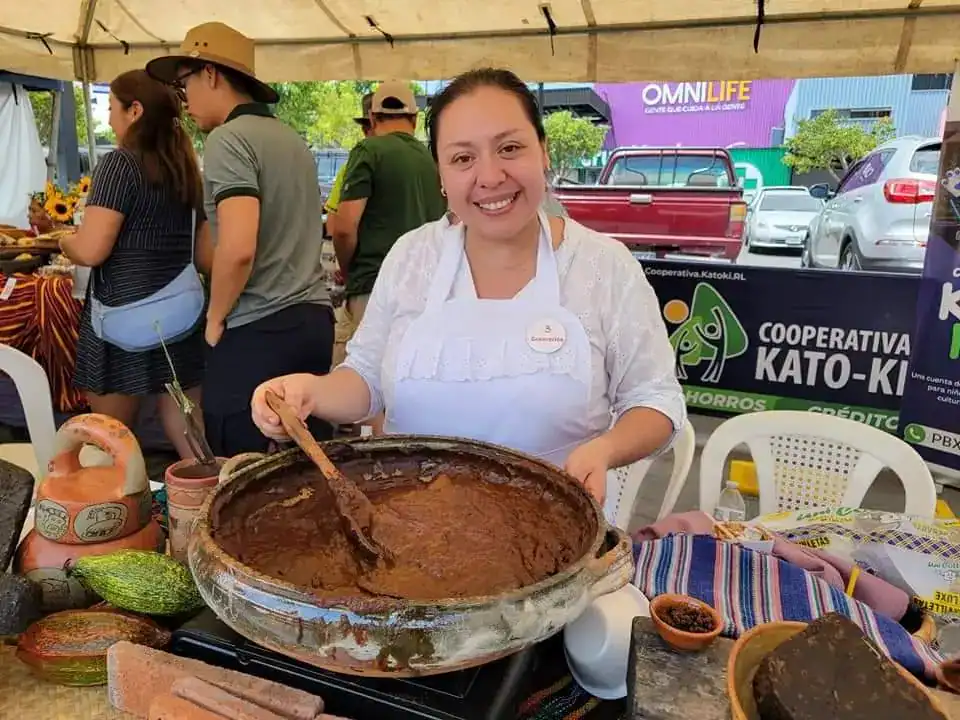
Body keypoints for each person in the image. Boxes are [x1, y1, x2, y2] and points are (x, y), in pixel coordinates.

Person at [250, 68, 686, 502]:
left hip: (557, 535)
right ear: (440, 172)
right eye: (462, 158)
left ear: (544, 152)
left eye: (510, 148)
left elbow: (656, 401)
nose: (490, 176)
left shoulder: (603, 266)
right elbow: (366, 378)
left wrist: (606, 448)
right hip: (408, 523)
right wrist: (310, 390)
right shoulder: (412, 256)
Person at [145, 22, 333, 456]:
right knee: (305, 462)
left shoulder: (228, 140)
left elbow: (240, 245)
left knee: (244, 473)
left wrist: (214, 318)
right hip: (311, 320)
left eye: (184, 82)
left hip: (259, 328)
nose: (184, 98)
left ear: (210, 74)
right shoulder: (290, 139)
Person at [62, 69, 205, 459]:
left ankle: (125, 516)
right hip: (179, 314)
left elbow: (91, 251)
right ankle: (202, 506)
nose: (109, 119)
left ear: (135, 110)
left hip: (120, 315)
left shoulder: (119, 165)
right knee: (190, 431)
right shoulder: (187, 168)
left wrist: (63, 240)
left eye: (112, 108)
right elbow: (203, 252)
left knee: (113, 444)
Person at [331, 81, 446, 345]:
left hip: (374, 285)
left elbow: (344, 227)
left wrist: (349, 271)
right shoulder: (434, 159)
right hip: (427, 289)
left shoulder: (369, 151)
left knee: (363, 376)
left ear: (372, 117)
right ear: (414, 119)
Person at [327, 94, 374, 370]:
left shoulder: (357, 162)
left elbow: (337, 227)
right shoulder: (426, 162)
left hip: (364, 282)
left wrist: (346, 267)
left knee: (351, 363)